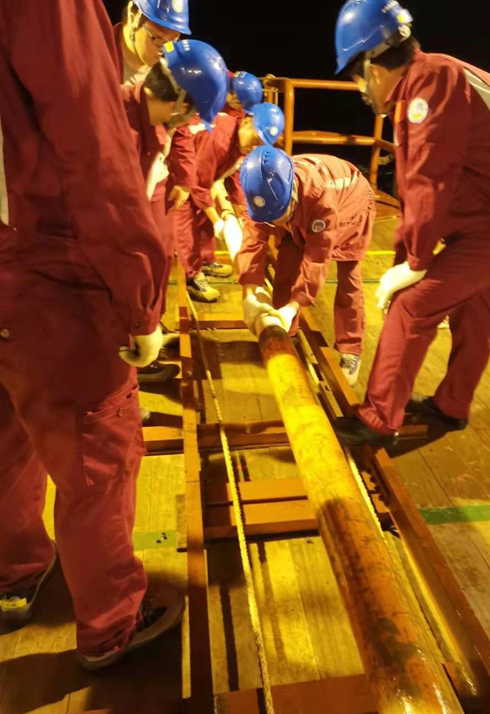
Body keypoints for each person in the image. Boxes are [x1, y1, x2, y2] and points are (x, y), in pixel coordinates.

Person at [0, 0, 182, 669]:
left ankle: (15, 571)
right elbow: (94, 150)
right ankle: (112, 622)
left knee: (7, 431)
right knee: (97, 455)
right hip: (45, 267)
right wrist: (140, 303)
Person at [332, 0, 490, 445]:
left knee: (412, 307)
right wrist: (405, 258)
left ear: (371, 68)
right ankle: (453, 405)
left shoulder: (430, 85)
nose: (362, 92)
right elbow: (419, 183)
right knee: (476, 309)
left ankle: (378, 419)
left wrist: (415, 263)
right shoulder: (431, 78)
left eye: (357, 80)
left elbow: (428, 177)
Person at [122, 40, 230, 377]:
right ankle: (130, 354)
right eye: (193, 112)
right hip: (114, 215)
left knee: (157, 257)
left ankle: (148, 326)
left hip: (150, 187)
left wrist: (183, 178)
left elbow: (179, 136)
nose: (190, 121)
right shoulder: (119, 129)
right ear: (180, 103)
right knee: (133, 265)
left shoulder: (154, 115)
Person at [239, 147, 376, 386]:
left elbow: (317, 259)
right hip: (302, 208)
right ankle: (285, 332)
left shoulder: (320, 200)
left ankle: (350, 348)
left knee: (348, 276)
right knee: (287, 262)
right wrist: (248, 295)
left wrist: (292, 307)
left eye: (278, 215)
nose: (274, 223)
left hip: (351, 203)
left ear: (291, 195)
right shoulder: (259, 191)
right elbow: (252, 243)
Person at [176, 103, 285, 302]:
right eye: (256, 138)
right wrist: (217, 220)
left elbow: (235, 181)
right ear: (247, 123)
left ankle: (205, 260)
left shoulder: (240, 143)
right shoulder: (220, 138)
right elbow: (197, 183)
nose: (256, 146)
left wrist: (245, 217)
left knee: (206, 214)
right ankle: (191, 275)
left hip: (198, 175)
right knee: (187, 216)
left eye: (261, 143)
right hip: (178, 175)